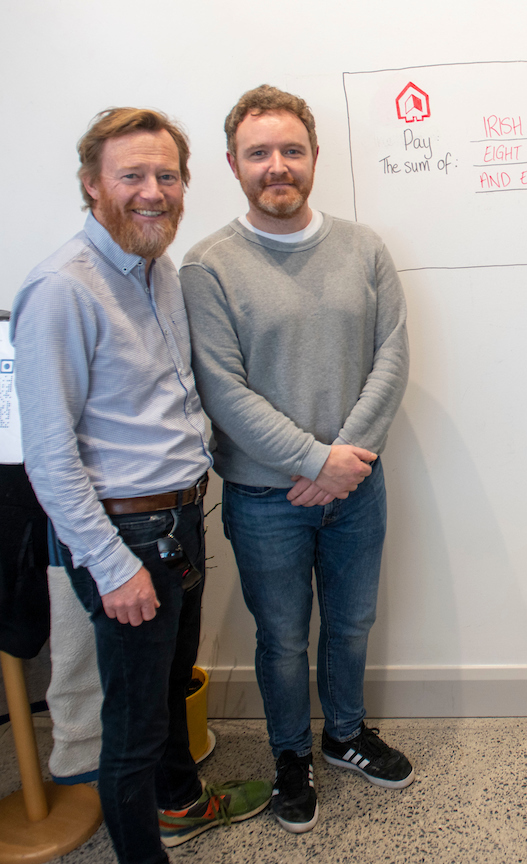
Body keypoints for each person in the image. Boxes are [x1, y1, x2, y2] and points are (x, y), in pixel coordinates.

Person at [11, 108, 271, 864]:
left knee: (166, 696)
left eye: (166, 175)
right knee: (131, 731)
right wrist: (112, 564)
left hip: (179, 526)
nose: (152, 190)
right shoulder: (63, 289)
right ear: (93, 185)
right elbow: (48, 456)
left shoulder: (157, 269)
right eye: (132, 175)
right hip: (127, 540)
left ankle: (182, 806)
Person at [180, 85, 411, 834]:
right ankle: (289, 756)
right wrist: (317, 462)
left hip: (359, 488)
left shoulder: (364, 247)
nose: (277, 166)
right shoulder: (207, 266)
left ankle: (343, 735)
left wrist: (346, 465)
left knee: (352, 623)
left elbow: (392, 358)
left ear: (314, 157)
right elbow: (225, 391)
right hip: (262, 499)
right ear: (232, 164)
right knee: (279, 637)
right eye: (259, 153)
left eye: (291, 151)